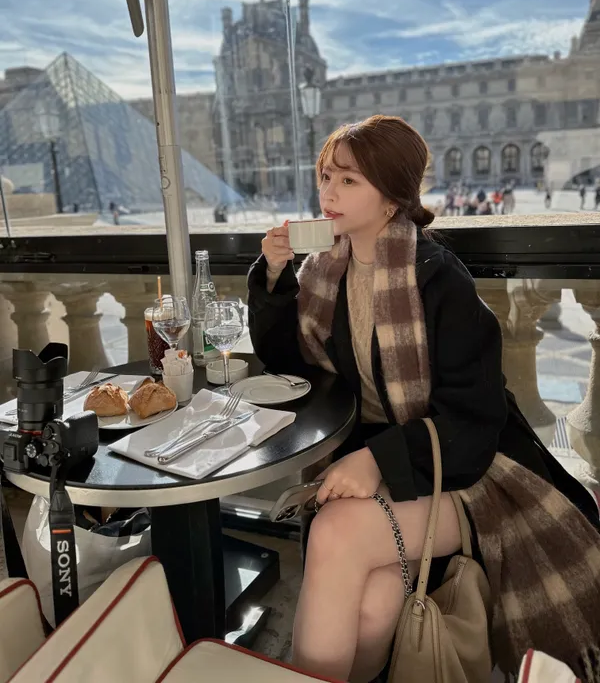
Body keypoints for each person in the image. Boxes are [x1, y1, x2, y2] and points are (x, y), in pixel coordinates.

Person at [247, 115, 600, 683]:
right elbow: (290, 364)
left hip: (469, 468)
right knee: (376, 603)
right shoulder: (323, 270)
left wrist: (376, 459)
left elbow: (475, 416)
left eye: (348, 181)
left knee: (335, 535)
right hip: (385, 460)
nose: (328, 194)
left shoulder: (438, 279)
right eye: (326, 176)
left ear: (392, 198)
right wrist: (273, 274)